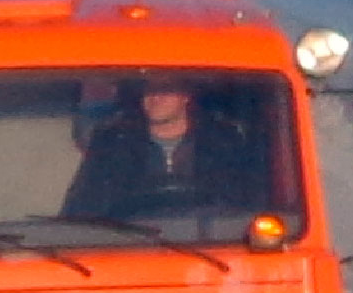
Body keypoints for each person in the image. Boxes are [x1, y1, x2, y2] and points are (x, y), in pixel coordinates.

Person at [64, 79, 278, 225]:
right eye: (149, 90)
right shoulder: (111, 146)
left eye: (165, 89)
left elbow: (250, 208)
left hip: (211, 251)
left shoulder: (225, 144)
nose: (155, 98)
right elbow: (82, 211)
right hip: (129, 253)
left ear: (186, 96)